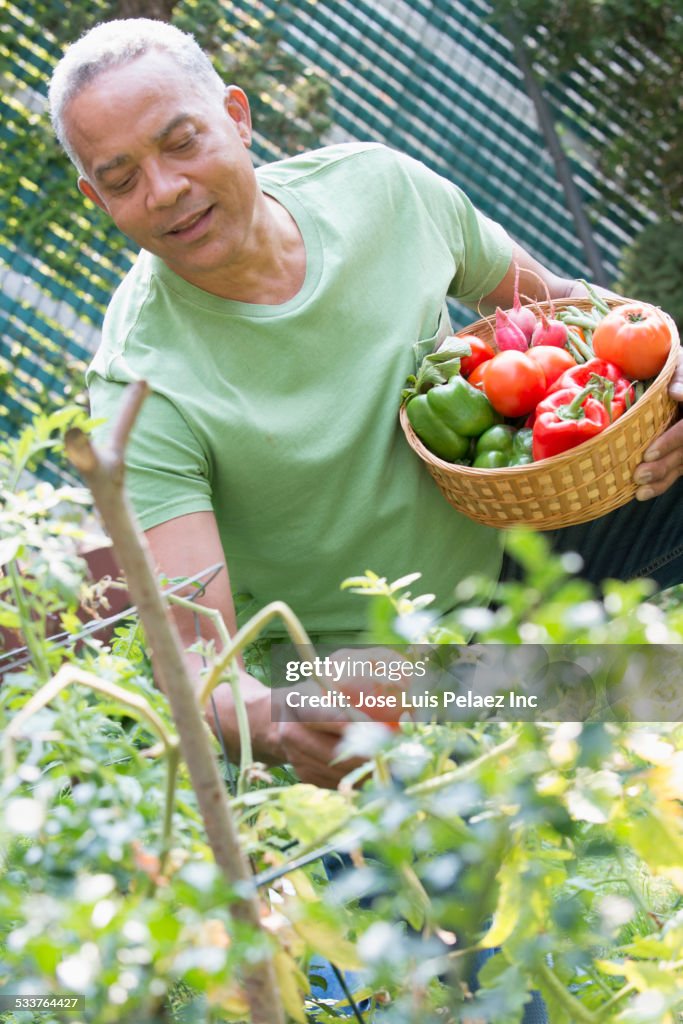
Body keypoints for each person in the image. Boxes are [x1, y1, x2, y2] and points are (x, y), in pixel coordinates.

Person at [48, 18, 683, 793]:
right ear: (94, 197)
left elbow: (577, 314)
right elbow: (193, 655)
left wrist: (671, 385)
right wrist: (270, 720)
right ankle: (604, 699)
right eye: (120, 178)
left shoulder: (380, 190)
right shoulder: (138, 382)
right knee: (367, 708)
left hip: (528, 548)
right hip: (379, 666)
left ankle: (592, 693)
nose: (165, 189)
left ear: (238, 118)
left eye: (182, 142)